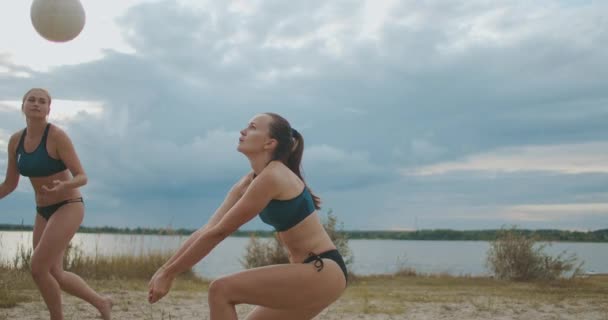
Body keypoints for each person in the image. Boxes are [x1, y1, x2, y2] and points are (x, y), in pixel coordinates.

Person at [148, 112, 348, 319]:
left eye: (252, 127)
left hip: (322, 270)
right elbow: (208, 230)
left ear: (270, 143)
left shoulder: (273, 176)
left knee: (221, 290)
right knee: (223, 292)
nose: (243, 131)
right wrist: (165, 269)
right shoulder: (248, 182)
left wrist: (169, 273)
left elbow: (221, 232)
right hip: (311, 272)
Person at [0, 88, 112, 320]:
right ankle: (102, 303)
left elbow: (82, 176)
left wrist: (64, 186)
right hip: (43, 211)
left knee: (38, 268)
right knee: (54, 272)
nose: (36, 104)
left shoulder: (57, 136)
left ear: (48, 109)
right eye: (31, 100)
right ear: (23, 106)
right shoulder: (15, 141)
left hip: (68, 205)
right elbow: (10, 184)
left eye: (42, 101)